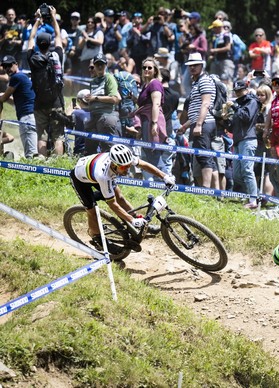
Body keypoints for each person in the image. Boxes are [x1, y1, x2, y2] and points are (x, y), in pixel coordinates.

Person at [70, 144, 175, 252]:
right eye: (123, 167)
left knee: (120, 197)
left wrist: (164, 176)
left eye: (129, 166)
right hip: (81, 180)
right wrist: (131, 220)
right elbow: (113, 204)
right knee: (92, 210)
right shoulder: (103, 175)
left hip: (93, 173)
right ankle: (98, 239)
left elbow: (143, 165)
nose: (127, 170)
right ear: (114, 165)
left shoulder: (123, 159)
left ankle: (139, 223)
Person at [27, 5, 65, 157]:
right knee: (58, 136)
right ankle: (58, 164)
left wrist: (37, 20)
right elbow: (57, 35)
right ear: (50, 44)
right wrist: (54, 17)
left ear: (38, 44)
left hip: (39, 103)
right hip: (56, 102)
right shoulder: (57, 55)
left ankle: (41, 161)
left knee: (41, 136)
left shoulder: (32, 58)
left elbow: (30, 37)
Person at [223, 80, 261, 208]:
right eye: (236, 91)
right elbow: (232, 128)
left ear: (246, 89)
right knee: (237, 174)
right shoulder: (239, 104)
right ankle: (256, 196)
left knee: (247, 170)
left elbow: (246, 117)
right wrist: (226, 120)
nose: (238, 93)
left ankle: (253, 200)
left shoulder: (252, 102)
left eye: (240, 90)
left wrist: (234, 106)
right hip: (238, 141)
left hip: (248, 140)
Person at [183, 52, 217, 188]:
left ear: (202, 65)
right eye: (190, 65)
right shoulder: (196, 81)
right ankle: (215, 191)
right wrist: (187, 125)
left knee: (204, 157)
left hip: (204, 123)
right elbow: (196, 107)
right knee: (206, 157)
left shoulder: (204, 80)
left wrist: (198, 124)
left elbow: (205, 103)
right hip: (200, 122)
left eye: (196, 65)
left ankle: (206, 190)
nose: (192, 68)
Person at [133, 57, 169, 179]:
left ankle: (167, 181)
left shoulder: (155, 83)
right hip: (146, 120)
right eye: (144, 67)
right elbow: (144, 103)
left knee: (153, 155)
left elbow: (156, 104)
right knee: (150, 154)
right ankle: (162, 181)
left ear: (155, 70)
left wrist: (154, 124)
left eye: (150, 67)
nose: (146, 69)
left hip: (152, 120)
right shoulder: (146, 85)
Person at [0, 55, 37, 158]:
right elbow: (14, 100)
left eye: (9, 65)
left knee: (31, 153)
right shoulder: (22, 77)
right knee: (34, 149)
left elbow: (4, 98)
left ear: (16, 64)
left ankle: (33, 172)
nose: (7, 69)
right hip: (31, 115)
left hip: (27, 117)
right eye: (4, 67)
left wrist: (2, 95)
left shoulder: (16, 77)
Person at [84, 53, 121, 155]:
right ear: (94, 66)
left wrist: (95, 98)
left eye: (102, 64)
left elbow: (114, 98)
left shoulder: (109, 78)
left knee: (108, 149)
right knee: (89, 149)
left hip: (106, 116)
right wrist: (89, 100)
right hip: (93, 116)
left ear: (106, 65)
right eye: (97, 64)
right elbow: (94, 99)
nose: (100, 67)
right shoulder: (93, 81)